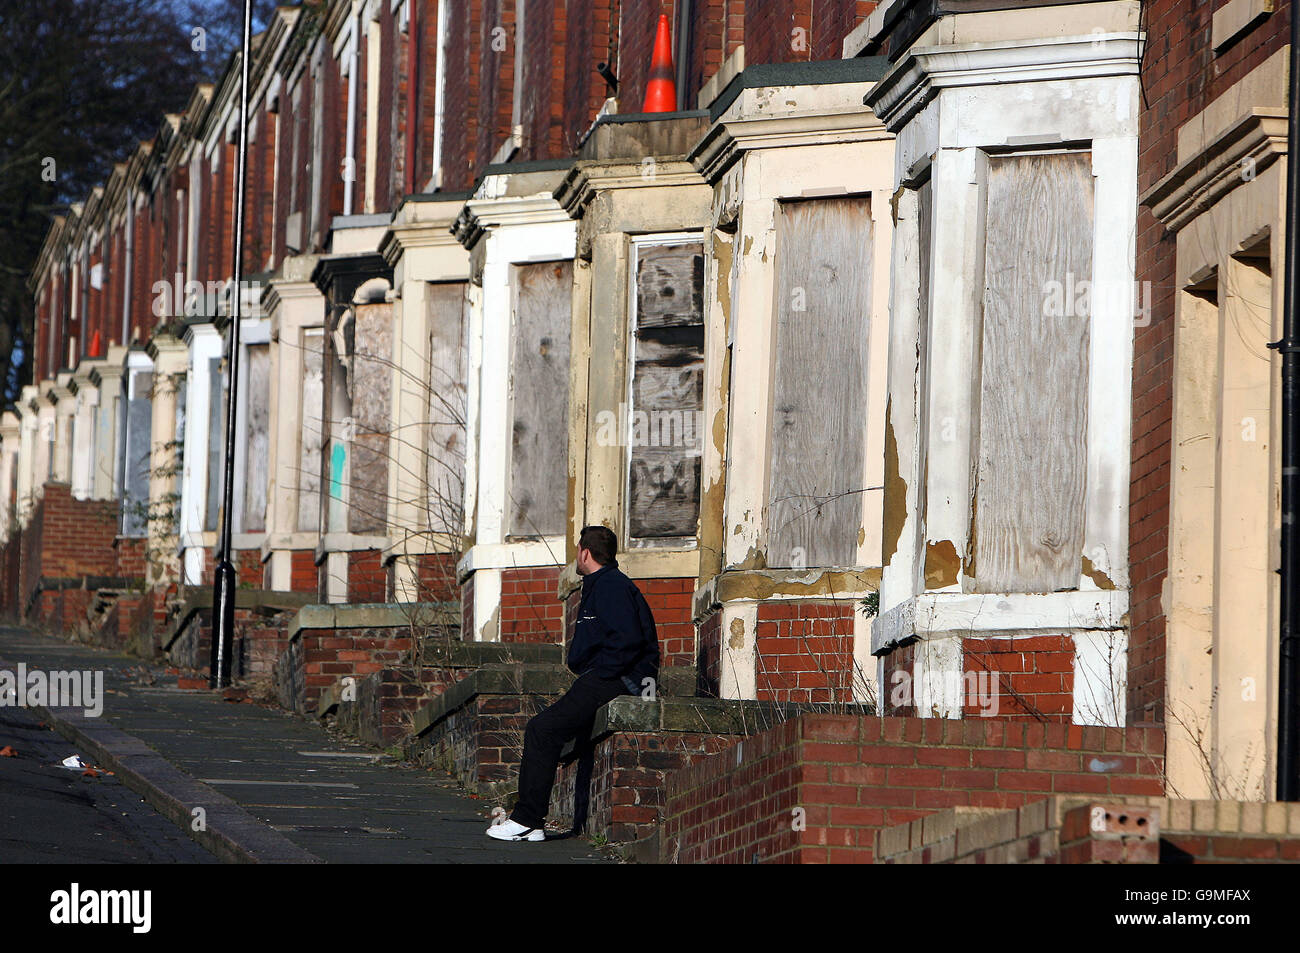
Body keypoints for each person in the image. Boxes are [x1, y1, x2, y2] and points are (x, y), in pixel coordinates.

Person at [486, 524, 659, 842]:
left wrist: (603, 672)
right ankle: (529, 819)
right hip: (613, 676)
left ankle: (527, 821)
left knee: (542, 729)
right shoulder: (601, 584)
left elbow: (629, 640)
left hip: (621, 680)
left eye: (577, 551)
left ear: (585, 552)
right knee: (554, 734)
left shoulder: (611, 587)